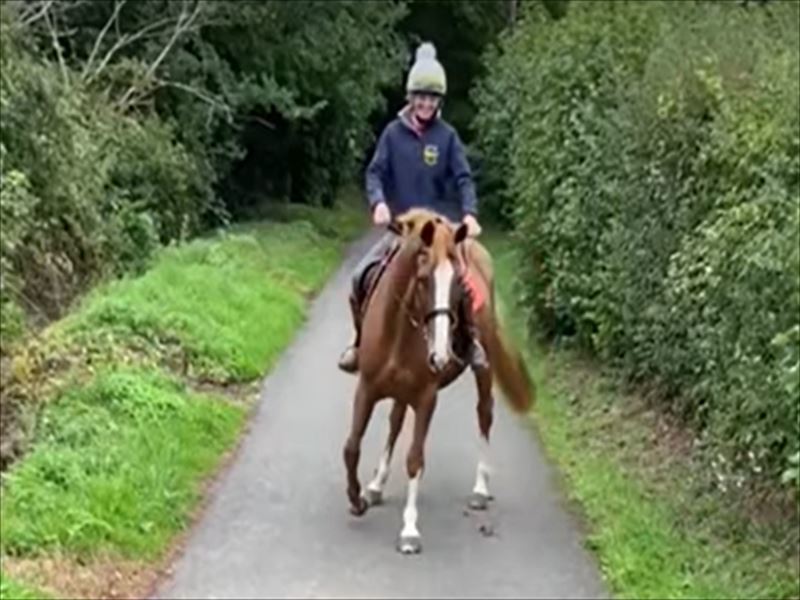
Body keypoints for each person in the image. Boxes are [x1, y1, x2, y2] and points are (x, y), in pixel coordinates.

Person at [337, 41, 487, 374]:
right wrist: (378, 203)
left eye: (432, 98)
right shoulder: (392, 134)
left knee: (464, 283)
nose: (425, 103)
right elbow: (375, 172)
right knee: (361, 277)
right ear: (410, 97)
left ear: (439, 102)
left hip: (440, 232)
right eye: (420, 96)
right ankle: (359, 342)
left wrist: (470, 213)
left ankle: (470, 340)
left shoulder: (447, 138)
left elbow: (463, 178)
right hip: (403, 232)